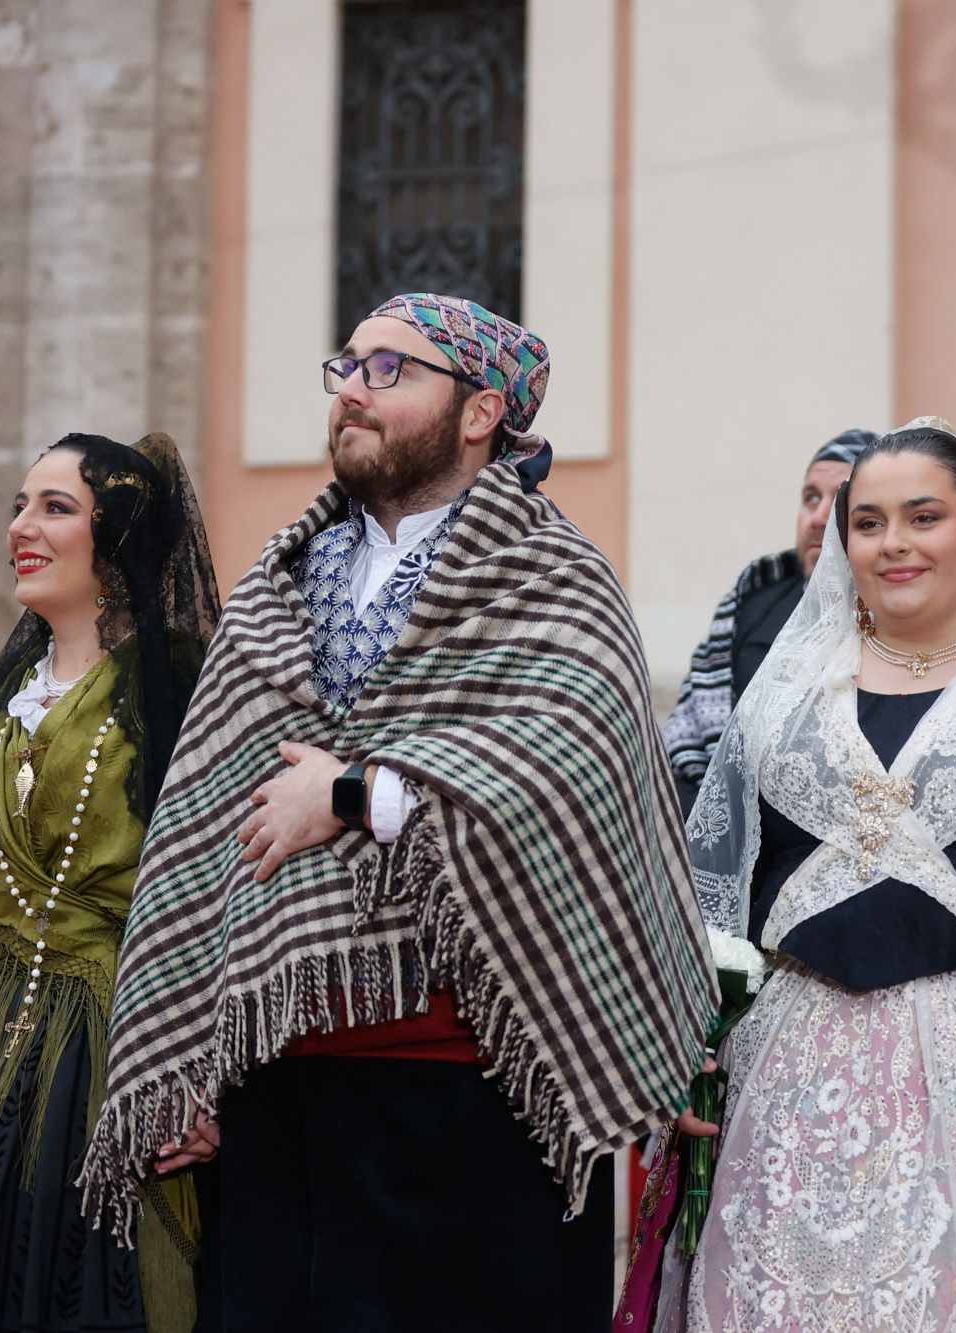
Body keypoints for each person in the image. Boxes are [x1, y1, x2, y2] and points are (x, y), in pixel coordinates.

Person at [78, 295, 716, 1332]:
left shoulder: (553, 575)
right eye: (349, 368)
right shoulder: (272, 590)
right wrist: (188, 1060)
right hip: (281, 1091)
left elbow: (567, 770)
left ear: (480, 411)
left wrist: (356, 794)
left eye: (391, 371)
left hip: (476, 1083)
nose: (354, 392)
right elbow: (200, 832)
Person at [659, 421, 956, 1331]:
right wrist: (691, 1037)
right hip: (793, 1053)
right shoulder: (789, 686)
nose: (893, 542)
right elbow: (721, 879)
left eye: (924, 515)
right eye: (865, 522)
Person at [0, 433, 218, 1331]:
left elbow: (218, 889)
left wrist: (207, 1075)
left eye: (56, 507)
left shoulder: (173, 683)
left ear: (117, 536)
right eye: (20, 504)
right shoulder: (12, 686)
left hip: (110, 1054)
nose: (23, 526)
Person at [663, 428, 875, 810]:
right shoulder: (754, 600)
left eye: (843, 500)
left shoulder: (893, 617)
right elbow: (690, 734)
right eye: (811, 497)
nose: (818, 516)